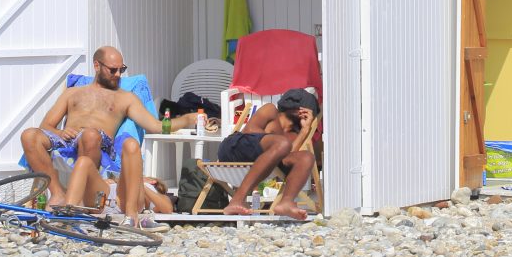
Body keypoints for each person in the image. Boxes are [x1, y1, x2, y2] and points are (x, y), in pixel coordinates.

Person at [20, 46, 209, 222]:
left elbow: (156, 126)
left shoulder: (126, 98)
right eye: (113, 70)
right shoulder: (73, 93)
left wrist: (186, 120)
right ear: (96, 66)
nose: (118, 75)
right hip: (67, 140)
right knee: (29, 135)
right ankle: (57, 192)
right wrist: (60, 131)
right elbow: (46, 125)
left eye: (122, 69)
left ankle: (86, 197)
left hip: (97, 141)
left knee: (90, 135)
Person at [218, 89, 319, 219]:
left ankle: (286, 202)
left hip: (263, 162)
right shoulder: (271, 110)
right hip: (235, 147)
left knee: (306, 157)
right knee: (283, 144)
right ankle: (237, 199)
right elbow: (250, 132)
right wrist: (278, 144)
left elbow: (286, 159)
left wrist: (304, 131)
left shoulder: (293, 136)